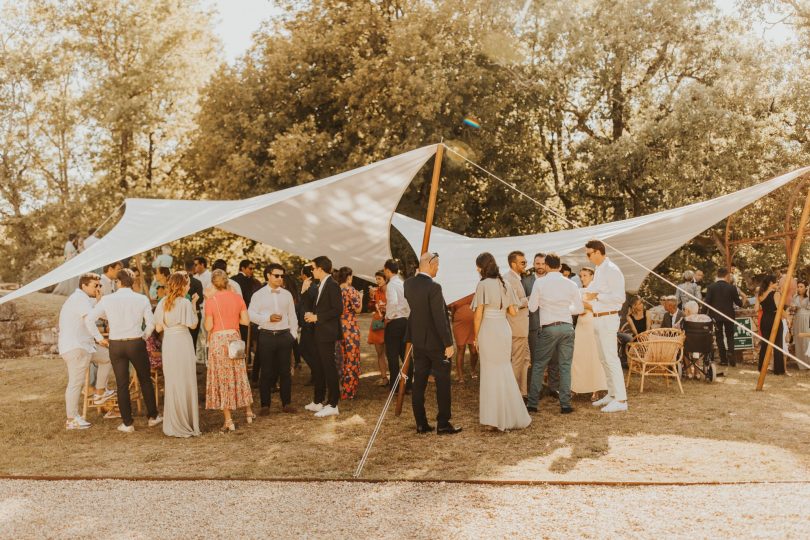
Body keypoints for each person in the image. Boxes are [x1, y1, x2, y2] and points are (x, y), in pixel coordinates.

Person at [85, 268, 162, 432]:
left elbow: (90, 319)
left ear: (117, 282)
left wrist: (99, 339)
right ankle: (153, 417)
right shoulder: (141, 299)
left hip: (116, 344)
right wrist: (145, 335)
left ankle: (127, 423)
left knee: (122, 384)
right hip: (135, 342)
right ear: (132, 282)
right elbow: (151, 323)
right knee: (145, 380)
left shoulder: (107, 300)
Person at [472, 252, 531, 431]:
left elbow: (478, 315)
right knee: (504, 369)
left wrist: (476, 337)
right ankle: (509, 414)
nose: (476, 269)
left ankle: (494, 419)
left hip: (489, 329)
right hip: (504, 328)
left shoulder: (483, 284)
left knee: (490, 372)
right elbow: (513, 312)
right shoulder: (504, 283)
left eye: (477, 266)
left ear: (482, 267)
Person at [404, 252, 461, 435]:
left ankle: (421, 423)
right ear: (430, 264)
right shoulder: (434, 287)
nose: (438, 268)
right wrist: (448, 342)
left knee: (419, 382)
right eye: (437, 265)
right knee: (443, 383)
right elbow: (439, 318)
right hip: (436, 344)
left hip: (418, 341)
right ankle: (443, 423)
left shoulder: (408, 284)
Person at [527, 253, 583, 414]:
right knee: (565, 366)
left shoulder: (540, 283)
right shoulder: (571, 284)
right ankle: (565, 404)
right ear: (559, 266)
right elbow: (579, 309)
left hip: (549, 328)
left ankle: (532, 403)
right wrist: (566, 309)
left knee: (539, 364)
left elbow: (532, 308)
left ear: (546, 266)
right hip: (567, 327)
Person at [58, 273, 115, 430]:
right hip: (76, 346)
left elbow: (100, 314)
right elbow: (89, 321)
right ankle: (72, 419)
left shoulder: (85, 299)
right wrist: (99, 338)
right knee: (75, 383)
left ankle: (99, 392)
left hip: (85, 346)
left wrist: (99, 300)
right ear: (84, 286)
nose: (98, 288)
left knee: (108, 357)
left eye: (99, 285)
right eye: (95, 285)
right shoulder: (79, 299)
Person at [205, 269, 254, 430]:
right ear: (227, 282)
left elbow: (209, 326)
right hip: (233, 338)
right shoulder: (238, 298)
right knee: (239, 374)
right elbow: (246, 321)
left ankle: (229, 421)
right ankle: (248, 412)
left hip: (218, 340)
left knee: (222, 378)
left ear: (213, 283)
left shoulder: (211, 301)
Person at [583, 240, 628, 413]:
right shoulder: (600, 269)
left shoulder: (612, 269)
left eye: (589, 254)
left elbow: (620, 298)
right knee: (603, 358)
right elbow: (591, 291)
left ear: (598, 252)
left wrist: (598, 296)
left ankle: (621, 399)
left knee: (611, 358)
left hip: (608, 318)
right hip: (597, 317)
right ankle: (611, 394)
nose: (588, 258)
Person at [154, 272, 201, 438]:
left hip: (169, 343)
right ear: (182, 285)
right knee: (186, 380)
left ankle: (174, 422)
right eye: (187, 284)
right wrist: (194, 304)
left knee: (173, 381)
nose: (189, 287)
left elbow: (158, 329)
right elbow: (193, 325)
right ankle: (187, 422)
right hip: (183, 342)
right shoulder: (185, 303)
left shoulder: (162, 302)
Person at [249, 263, 298, 415]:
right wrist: (267, 318)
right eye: (276, 275)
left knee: (285, 372)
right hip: (266, 335)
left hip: (284, 336)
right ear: (268, 276)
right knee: (266, 372)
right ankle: (265, 405)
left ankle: (286, 403)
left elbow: (292, 316)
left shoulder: (287, 294)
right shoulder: (258, 295)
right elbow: (250, 314)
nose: (280, 278)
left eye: (282, 276)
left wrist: (293, 335)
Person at [304, 256, 343, 418]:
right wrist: (312, 314)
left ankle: (333, 404)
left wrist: (317, 317)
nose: (311, 271)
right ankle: (318, 401)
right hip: (319, 332)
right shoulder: (321, 284)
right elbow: (320, 306)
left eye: (313, 268)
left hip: (327, 333)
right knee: (319, 366)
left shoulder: (332, 285)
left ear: (320, 268)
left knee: (328, 367)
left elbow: (337, 309)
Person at [522, 252, 559, 398]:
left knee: (554, 358)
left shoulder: (554, 281)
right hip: (534, 326)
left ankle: (554, 387)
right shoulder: (526, 281)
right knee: (536, 360)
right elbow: (522, 301)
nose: (540, 266)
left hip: (552, 324)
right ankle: (535, 390)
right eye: (537, 263)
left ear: (547, 265)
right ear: (533, 264)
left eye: (543, 264)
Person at [571, 267, 607, 398]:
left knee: (594, 356)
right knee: (579, 356)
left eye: (585, 275)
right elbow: (576, 308)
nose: (582, 278)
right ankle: (576, 387)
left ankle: (595, 389)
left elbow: (601, 308)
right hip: (581, 325)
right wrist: (581, 307)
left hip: (593, 325)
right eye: (581, 276)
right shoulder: (579, 291)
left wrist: (586, 306)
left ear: (592, 276)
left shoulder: (597, 291)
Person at [504, 251, 531, 398]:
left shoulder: (516, 278)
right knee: (517, 361)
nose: (525, 265)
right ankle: (512, 396)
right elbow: (511, 304)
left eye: (525, 262)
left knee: (525, 360)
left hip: (522, 327)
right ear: (513, 264)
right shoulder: (508, 279)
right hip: (516, 327)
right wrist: (528, 300)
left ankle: (522, 393)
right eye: (522, 262)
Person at [705, 267, 744, 367]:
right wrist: (743, 298)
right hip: (729, 316)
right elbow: (739, 303)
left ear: (717, 275)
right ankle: (731, 356)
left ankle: (723, 359)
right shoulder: (732, 288)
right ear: (727, 275)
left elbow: (706, 303)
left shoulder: (711, 287)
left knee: (719, 337)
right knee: (730, 336)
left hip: (716, 316)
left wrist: (703, 314)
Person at [383, 259, 410, 390]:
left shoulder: (391, 285)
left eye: (384, 271)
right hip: (404, 321)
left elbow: (393, 302)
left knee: (392, 355)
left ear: (388, 270)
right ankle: (408, 384)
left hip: (395, 322)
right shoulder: (403, 283)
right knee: (404, 354)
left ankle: (394, 385)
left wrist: (388, 317)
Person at [337, 267, 363, 400]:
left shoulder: (335, 289)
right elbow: (358, 309)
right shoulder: (350, 290)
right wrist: (361, 297)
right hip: (350, 327)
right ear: (348, 277)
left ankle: (339, 387)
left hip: (338, 326)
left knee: (340, 358)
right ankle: (349, 391)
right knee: (351, 358)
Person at [756, 274, 785, 375]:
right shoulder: (775, 294)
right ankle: (779, 370)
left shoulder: (760, 294)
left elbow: (756, 309)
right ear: (771, 283)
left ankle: (761, 367)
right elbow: (779, 308)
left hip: (764, 319)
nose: (777, 284)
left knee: (765, 344)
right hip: (774, 319)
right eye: (776, 282)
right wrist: (787, 317)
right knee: (777, 344)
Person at [448, 293, 478, 381]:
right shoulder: (455, 294)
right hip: (459, 324)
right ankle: (460, 376)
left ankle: (473, 370)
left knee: (474, 350)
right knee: (461, 348)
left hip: (473, 324)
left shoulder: (474, 291)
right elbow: (450, 308)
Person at [367, 270, 389, 386]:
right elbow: (370, 307)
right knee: (380, 353)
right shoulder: (375, 291)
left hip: (389, 323)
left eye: (379, 279)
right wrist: (371, 297)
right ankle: (384, 378)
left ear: (386, 279)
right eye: (376, 279)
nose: (377, 281)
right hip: (377, 323)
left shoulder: (391, 291)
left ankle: (395, 376)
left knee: (390, 352)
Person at [298, 264, 319, 383]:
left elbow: (311, 305)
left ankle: (317, 372)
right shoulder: (308, 286)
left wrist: (303, 292)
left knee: (305, 350)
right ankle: (315, 374)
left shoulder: (312, 287)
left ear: (305, 275)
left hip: (310, 325)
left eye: (301, 274)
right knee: (307, 350)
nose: (300, 276)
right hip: (306, 324)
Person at [183, 260, 204, 349]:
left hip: (183, 313)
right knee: (193, 340)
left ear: (184, 267)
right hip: (195, 312)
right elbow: (201, 299)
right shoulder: (198, 282)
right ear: (193, 268)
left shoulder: (181, 281)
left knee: (184, 341)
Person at [791, 280, 810, 370]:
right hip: (797, 319)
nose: (799, 288)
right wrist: (793, 308)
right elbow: (793, 309)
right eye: (798, 286)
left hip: (807, 319)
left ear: (806, 287)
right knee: (798, 340)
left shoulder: (809, 297)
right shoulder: (795, 297)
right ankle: (801, 364)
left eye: (801, 286)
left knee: (807, 341)